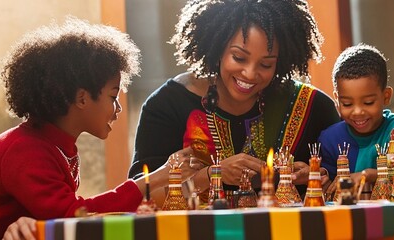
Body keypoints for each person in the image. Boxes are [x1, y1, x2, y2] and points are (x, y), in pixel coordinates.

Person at [0, 17, 171, 239]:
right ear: (82, 98)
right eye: (113, 97)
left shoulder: (57, 144)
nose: (118, 108)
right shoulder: (25, 149)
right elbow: (72, 217)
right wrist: (153, 179)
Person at [130, 0, 340, 197]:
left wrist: (318, 176)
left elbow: (345, 182)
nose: (249, 74)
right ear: (217, 45)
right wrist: (210, 175)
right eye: (239, 57)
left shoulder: (313, 107)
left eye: (265, 64)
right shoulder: (167, 105)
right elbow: (138, 197)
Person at [318, 44, 394, 196]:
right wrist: (322, 176)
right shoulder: (330, 139)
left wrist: (370, 174)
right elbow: (328, 178)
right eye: (347, 104)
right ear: (337, 100)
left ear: (386, 96)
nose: (358, 112)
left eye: (368, 103)